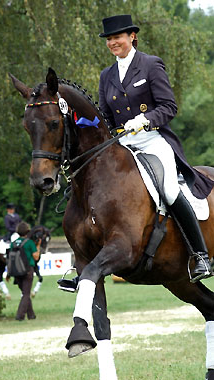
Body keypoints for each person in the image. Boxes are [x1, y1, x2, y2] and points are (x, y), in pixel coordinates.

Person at [98, 14, 214, 282]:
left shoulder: (150, 65)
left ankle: (200, 255)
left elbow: (169, 107)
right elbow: (105, 116)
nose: (113, 42)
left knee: (169, 189)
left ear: (132, 37)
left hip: (153, 139)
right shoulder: (107, 75)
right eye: (109, 39)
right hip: (124, 143)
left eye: (117, 37)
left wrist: (145, 120)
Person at [12, 221, 41, 321]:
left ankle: (31, 315)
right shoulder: (29, 243)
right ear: (27, 231)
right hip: (28, 270)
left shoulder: (14, 243)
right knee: (26, 294)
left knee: (25, 292)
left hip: (16, 271)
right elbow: (36, 257)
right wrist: (38, 246)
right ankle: (20, 315)